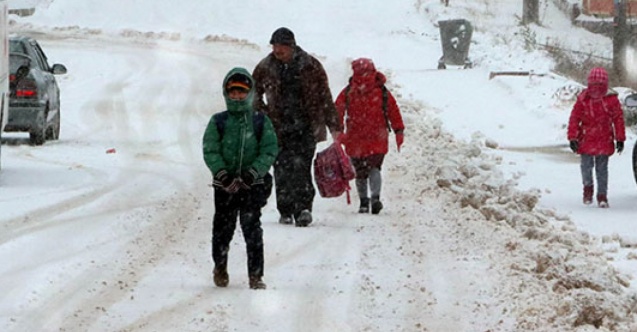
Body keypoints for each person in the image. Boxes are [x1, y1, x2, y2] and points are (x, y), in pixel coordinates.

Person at [252, 27, 342, 227]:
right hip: (277, 128)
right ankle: (285, 209)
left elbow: (325, 96)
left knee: (301, 168)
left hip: (306, 127)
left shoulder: (311, 65)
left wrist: (334, 125)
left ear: (291, 46)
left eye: (281, 46)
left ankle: (303, 209)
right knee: (282, 168)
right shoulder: (266, 66)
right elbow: (253, 93)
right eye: (274, 46)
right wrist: (262, 114)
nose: (277, 50)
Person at [202, 67, 278, 289]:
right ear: (226, 93)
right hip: (224, 186)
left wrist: (253, 173)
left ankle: (255, 275)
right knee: (222, 229)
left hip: (251, 185)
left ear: (250, 93)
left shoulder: (260, 121)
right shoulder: (218, 121)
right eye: (233, 92)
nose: (237, 96)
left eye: (241, 92)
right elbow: (210, 150)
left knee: (251, 228)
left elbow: (269, 149)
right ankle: (220, 266)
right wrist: (222, 174)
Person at [334, 58, 405, 214]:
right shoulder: (382, 91)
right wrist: (399, 130)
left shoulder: (349, 91)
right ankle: (375, 198)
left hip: (355, 137)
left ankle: (364, 202)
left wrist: (338, 131)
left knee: (360, 172)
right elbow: (393, 111)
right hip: (377, 137)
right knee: (374, 168)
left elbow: (337, 110)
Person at [567, 67, 625, 208]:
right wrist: (573, 137)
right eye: (594, 85)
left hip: (603, 138)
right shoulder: (583, 99)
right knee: (587, 167)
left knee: (601, 169)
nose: (596, 89)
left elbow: (618, 119)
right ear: (589, 85)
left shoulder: (611, 100)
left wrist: (620, 138)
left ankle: (602, 195)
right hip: (586, 138)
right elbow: (574, 118)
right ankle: (588, 190)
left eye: (600, 86)